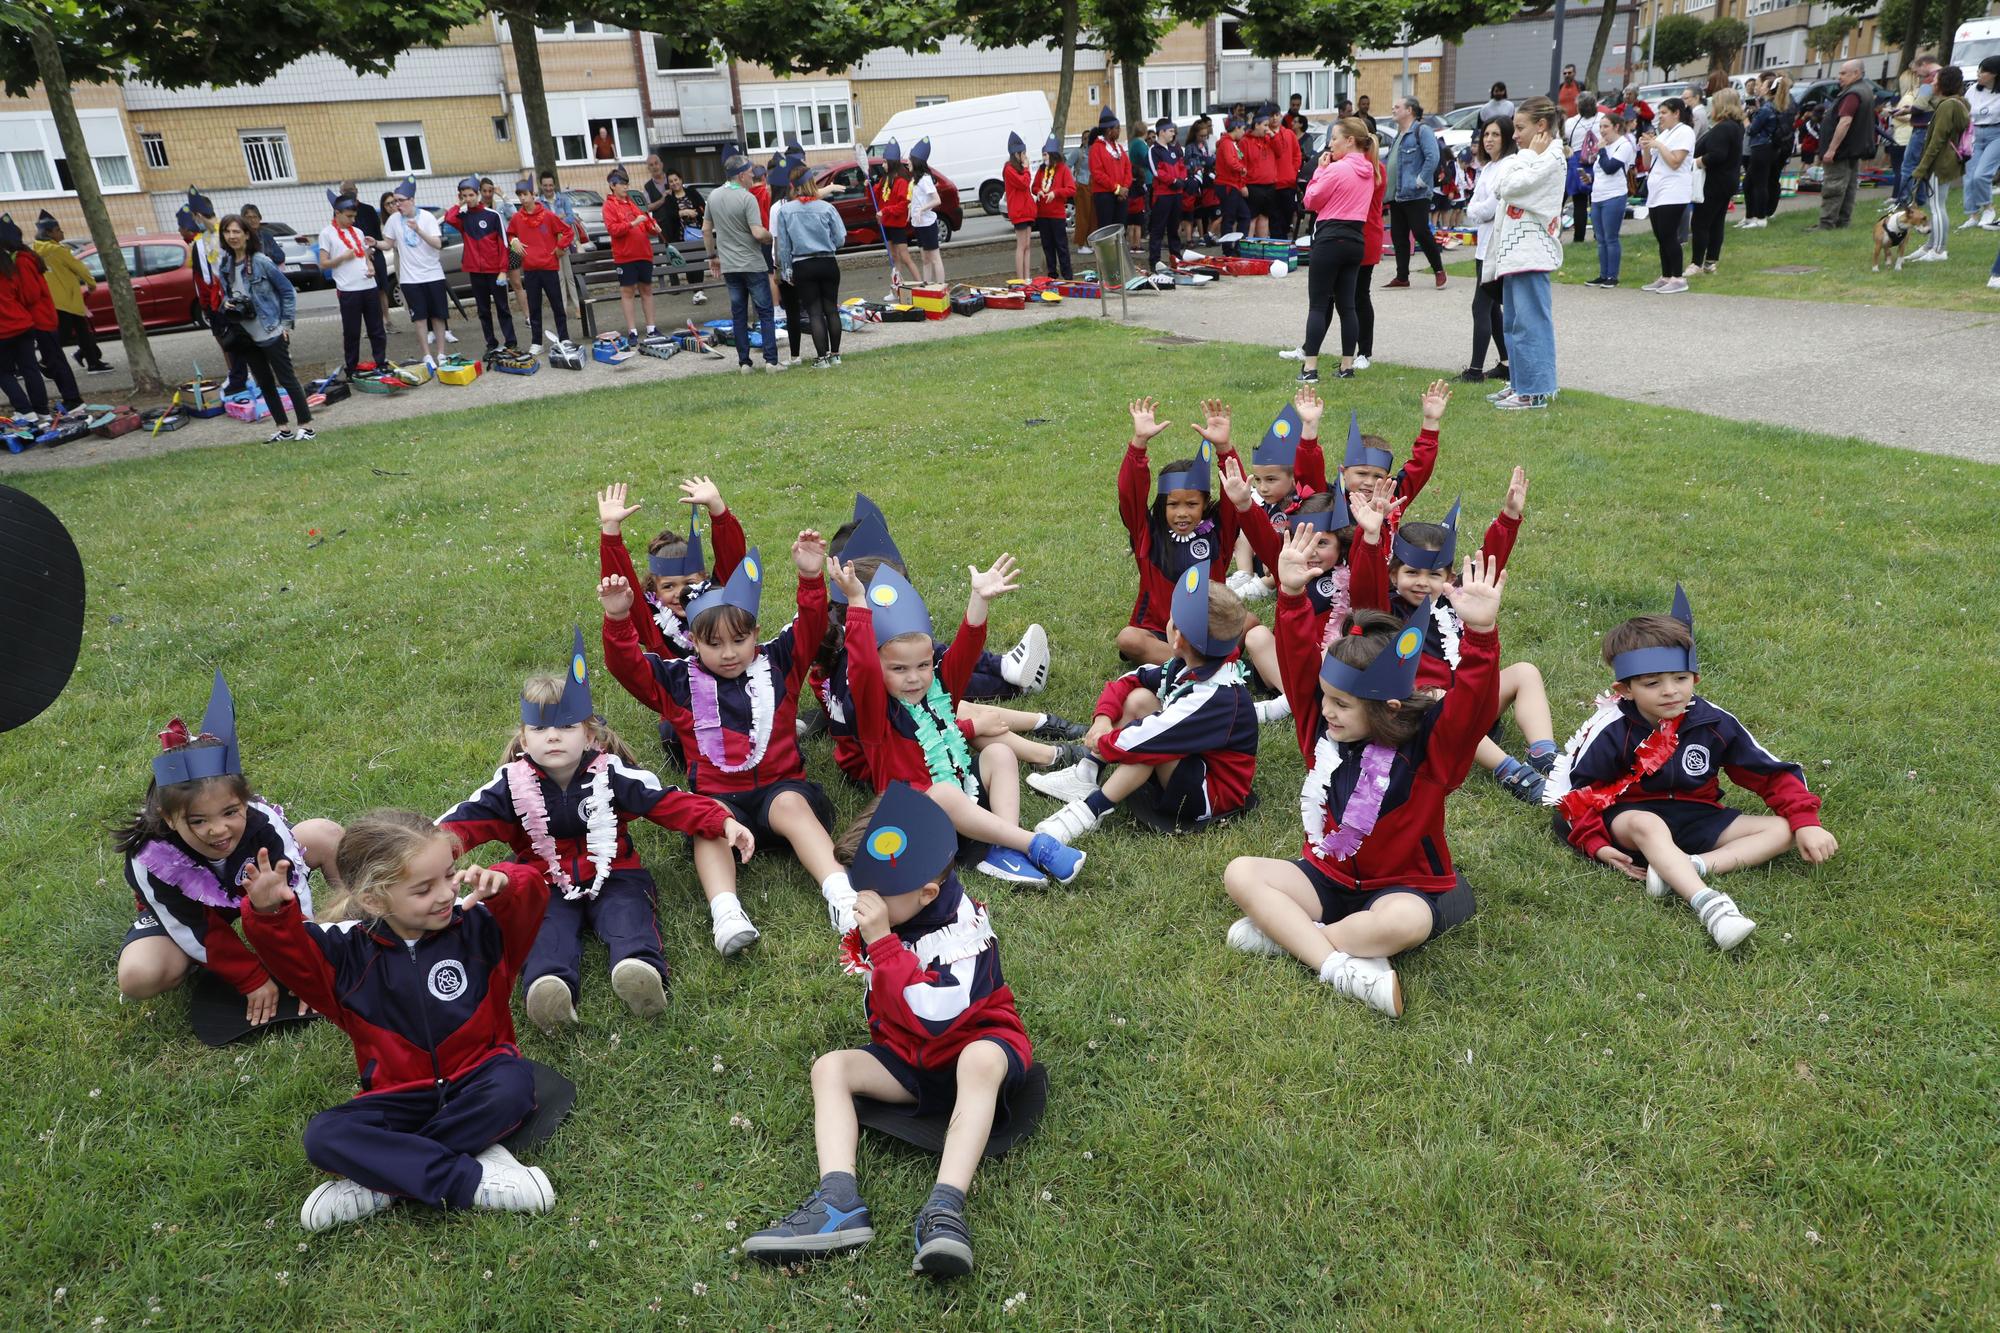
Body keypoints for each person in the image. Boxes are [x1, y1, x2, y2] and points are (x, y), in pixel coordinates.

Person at [742, 783, 1033, 1277]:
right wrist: (881, 939)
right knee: (831, 1068)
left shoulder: (964, 929)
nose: (864, 905)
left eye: (877, 895)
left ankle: (945, 1207)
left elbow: (933, 1014)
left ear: (926, 892)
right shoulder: (902, 913)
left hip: (973, 1046)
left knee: (978, 1060)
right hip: (911, 1059)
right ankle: (838, 1200)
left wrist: (882, 944)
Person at [1220, 528, 1506, 1018]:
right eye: (1326, 697)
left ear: (1387, 707)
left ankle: (1300, 938)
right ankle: (1340, 966)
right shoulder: (1323, 732)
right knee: (1240, 872)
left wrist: (1480, 637)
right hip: (1328, 877)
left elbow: (1472, 710)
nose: (1325, 711)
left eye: (1342, 704)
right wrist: (1289, 596)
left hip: (1405, 886)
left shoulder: (1429, 748)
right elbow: (1293, 663)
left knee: (1407, 922)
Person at [240, 810, 556, 1230]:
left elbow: (530, 897)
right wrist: (267, 913)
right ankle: (472, 1178)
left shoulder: (478, 924)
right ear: (373, 900)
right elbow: (290, 955)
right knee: (324, 1136)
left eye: (448, 875)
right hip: (399, 1097)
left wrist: (506, 883)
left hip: (484, 1077)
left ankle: (383, 1179)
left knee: (514, 1087)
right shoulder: (342, 953)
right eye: (424, 888)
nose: (445, 894)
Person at [437, 632, 751, 1032]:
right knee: (544, 929)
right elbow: (461, 823)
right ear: (523, 738)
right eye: (539, 729)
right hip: (543, 881)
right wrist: (420, 854)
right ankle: (548, 989)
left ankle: (638, 971)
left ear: (588, 735)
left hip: (616, 872)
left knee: (629, 915)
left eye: (566, 726)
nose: (552, 736)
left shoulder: (611, 773)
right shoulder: (509, 785)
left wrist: (720, 821)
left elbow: (666, 801)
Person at [599, 530, 858, 944]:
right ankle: (727, 913)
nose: (729, 653)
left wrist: (810, 577)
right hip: (721, 800)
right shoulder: (678, 680)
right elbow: (629, 667)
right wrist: (616, 620)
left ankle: (842, 896)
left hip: (781, 792)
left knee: (791, 803)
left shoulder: (777, 664)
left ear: (755, 633)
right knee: (709, 820)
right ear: (694, 641)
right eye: (714, 644)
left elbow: (811, 626)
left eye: (739, 640)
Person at [1548, 586, 1837, 952]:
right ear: (1625, 689)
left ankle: (1688, 866)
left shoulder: (1713, 721)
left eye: (1680, 678)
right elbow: (1573, 795)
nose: (1670, 691)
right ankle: (1710, 905)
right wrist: (1596, 844)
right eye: (1653, 683)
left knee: (1783, 830)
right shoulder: (1610, 729)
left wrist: (1806, 821)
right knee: (1646, 823)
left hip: (1698, 818)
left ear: (1695, 678)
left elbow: (1771, 772)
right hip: (1631, 822)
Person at [830, 559, 1085, 885]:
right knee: (944, 795)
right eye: (898, 669)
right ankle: (1034, 845)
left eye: (923, 665)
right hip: (918, 819)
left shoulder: (940, 691)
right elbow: (862, 666)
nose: (913, 679)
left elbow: (965, 651)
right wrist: (855, 601)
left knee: (999, 754)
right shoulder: (876, 713)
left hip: (963, 792)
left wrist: (979, 600)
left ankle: (1004, 845)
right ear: (879, 670)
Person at [112, 672, 343, 1027]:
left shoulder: (262, 821)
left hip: (258, 889)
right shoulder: (150, 856)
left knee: (325, 834)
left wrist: (305, 963)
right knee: (139, 974)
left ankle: (346, 925)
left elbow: (293, 886)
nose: (218, 830)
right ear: (169, 818)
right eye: (198, 821)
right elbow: (190, 924)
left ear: (245, 801)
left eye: (231, 812)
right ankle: (197, 960)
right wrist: (251, 978)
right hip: (194, 913)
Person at [1347, 474, 1556, 802]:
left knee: (1525, 671)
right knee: (1437, 695)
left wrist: (1509, 517)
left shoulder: (1457, 601)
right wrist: (1371, 537)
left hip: (1472, 704)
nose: (1422, 582)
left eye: (1434, 575)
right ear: (1393, 574)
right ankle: (1512, 772)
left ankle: (1545, 753)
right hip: (1423, 716)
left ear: (1450, 577)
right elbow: (1363, 584)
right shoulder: (1385, 607)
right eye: (1411, 573)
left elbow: (1489, 563)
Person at [1032, 560, 1258, 844]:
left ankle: (1090, 812)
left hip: (1209, 793)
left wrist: (1103, 743)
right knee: (1140, 700)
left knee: (1150, 745)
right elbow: (1130, 680)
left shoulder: (1216, 696)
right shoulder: (1184, 664)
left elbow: (1150, 737)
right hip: (1191, 761)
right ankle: (1085, 774)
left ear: (1177, 639)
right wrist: (1103, 718)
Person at [1110, 398, 1246, 667]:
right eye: (1173, 504)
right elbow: (1130, 494)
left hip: (1209, 629)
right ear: (1163, 505)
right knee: (1129, 639)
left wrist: (1224, 449)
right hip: (1160, 632)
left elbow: (1235, 491)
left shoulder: (1219, 531)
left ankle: (1191, 662)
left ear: (1205, 504)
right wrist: (1139, 444)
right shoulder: (1149, 533)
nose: (1182, 513)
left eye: (1192, 504)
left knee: (1248, 623)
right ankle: (1203, 665)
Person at [1483, 97, 1566, 410]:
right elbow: (1502, 184)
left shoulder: (1552, 156)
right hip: (1516, 254)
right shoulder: (1533, 156)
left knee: (1532, 323)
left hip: (1532, 252)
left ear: (1541, 126)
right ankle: (1521, 383)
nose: (1514, 135)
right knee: (1514, 324)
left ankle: (1536, 389)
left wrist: (1529, 156)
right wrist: (1528, 157)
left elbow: (1509, 186)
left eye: (1520, 128)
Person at [216, 213, 315, 443]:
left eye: (236, 231)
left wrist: (285, 325)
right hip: (245, 335)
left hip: (271, 330)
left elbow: (287, 291)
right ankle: (283, 429)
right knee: (264, 384)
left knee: (287, 379)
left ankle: (306, 427)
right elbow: (226, 297)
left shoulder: (260, 261)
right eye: (227, 232)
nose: (232, 236)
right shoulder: (225, 265)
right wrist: (226, 304)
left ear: (247, 235)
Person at [1297, 116, 1380, 385]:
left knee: (1318, 304)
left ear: (1350, 140)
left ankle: (1310, 368)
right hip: (1355, 240)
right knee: (1348, 305)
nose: (1330, 145)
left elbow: (1310, 200)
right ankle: (1347, 365)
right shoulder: (1370, 171)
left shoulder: (1337, 169)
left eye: (1334, 139)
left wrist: (1319, 171)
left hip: (1330, 238)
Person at [704, 156, 782, 373]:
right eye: (749, 172)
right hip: (752, 264)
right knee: (765, 312)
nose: (752, 176)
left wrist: (712, 257)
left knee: (738, 315)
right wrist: (771, 236)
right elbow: (757, 232)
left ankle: (744, 363)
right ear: (740, 174)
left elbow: (705, 230)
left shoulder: (713, 196)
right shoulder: (747, 198)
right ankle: (771, 361)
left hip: (730, 267)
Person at [0, 220, 81, 413]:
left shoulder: (21, 261)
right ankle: (51, 405)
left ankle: (72, 400)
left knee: (53, 360)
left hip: (38, 318)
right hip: (32, 320)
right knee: (42, 363)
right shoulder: (21, 259)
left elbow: (30, 294)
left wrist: (17, 301)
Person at [774, 166, 847, 369]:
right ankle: (836, 355)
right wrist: (828, 244)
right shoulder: (826, 208)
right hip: (827, 261)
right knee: (832, 309)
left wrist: (786, 270)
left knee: (814, 312)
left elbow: (784, 246)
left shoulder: (785, 211)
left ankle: (821, 358)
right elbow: (841, 238)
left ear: (793, 187)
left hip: (803, 263)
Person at [443, 177, 520, 358]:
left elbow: (503, 245)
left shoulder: (492, 215)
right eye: (464, 196)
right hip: (476, 272)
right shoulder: (462, 217)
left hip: (495, 272)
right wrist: (458, 204)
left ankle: (511, 342)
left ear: (477, 194)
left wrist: (503, 270)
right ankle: (491, 343)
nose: (468, 198)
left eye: (471, 195)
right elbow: (449, 218)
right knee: (483, 311)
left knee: (502, 308)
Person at [182, 190, 248, 393]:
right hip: (220, 298)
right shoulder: (204, 239)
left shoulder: (226, 233)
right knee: (232, 340)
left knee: (244, 338)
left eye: (195, 216)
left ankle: (246, 377)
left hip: (238, 293)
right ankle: (239, 378)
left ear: (198, 215)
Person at [1463, 115, 1514, 378]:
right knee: (1492, 307)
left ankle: (1474, 370)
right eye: (1486, 135)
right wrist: (1476, 210)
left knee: (1480, 306)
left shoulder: (1508, 166)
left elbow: (1492, 207)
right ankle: (1507, 363)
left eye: (1495, 134)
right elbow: (1474, 204)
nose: (1489, 140)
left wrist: (1476, 210)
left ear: (1506, 137)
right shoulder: (1488, 167)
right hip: (1483, 245)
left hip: (1496, 245)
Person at [380, 179, 448, 373]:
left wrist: (418, 230)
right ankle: (427, 355)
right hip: (410, 279)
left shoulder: (426, 217)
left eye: (400, 201)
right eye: (395, 201)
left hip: (433, 275)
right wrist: (375, 243)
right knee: (419, 318)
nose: (397, 205)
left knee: (438, 316)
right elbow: (388, 243)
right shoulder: (394, 220)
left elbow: (437, 244)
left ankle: (441, 353)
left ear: (411, 199)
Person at [29, 212, 109, 376]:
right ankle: (47, 363)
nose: (62, 233)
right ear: (49, 233)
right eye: (58, 230)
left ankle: (93, 361)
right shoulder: (58, 250)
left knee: (81, 332)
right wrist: (91, 283)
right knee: (65, 335)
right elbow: (79, 267)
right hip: (69, 299)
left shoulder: (34, 251)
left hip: (53, 299)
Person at [318, 189, 388, 374]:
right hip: (348, 289)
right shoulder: (327, 233)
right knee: (352, 332)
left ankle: (381, 361)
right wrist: (341, 258)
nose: (352, 220)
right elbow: (323, 263)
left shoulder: (357, 231)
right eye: (349, 216)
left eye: (354, 216)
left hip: (368, 286)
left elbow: (364, 254)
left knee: (377, 328)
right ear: (337, 213)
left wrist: (369, 265)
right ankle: (352, 366)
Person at [508, 178, 577, 354]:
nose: (522, 199)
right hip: (530, 268)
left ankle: (564, 337)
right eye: (519, 195)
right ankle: (537, 341)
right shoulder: (517, 218)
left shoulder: (548, 216)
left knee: (557, 305)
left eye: (525, 194)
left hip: (549, 266)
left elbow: (568, 231)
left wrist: (560, 247)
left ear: (533, 195)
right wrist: (513, 240)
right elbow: (509, 235)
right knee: (534, 306)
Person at [1907, 65, 1969, 260]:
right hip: (1949, 160)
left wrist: (1922, 167)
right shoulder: (1959, 103)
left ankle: (1939, 250)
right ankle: (1930, 246)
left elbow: (1937, 140)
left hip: (1940, 162)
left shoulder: (1947, 105)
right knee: (1938, 204)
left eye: (1936, 79)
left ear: (1943, 83)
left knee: (1937, 206)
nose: (1932, 82)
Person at [1808, 60, 1878, 232]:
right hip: (1853, 149)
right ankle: (1842, 221)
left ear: (1856, 73)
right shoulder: (1865, 90)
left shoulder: (1852, 94)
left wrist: (1831, 149)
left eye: (1843, 73)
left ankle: (1826, 224)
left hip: (1842, 150)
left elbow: (1845, 122)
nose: (1839, 77)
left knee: (1834, 186)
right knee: (1848, 187)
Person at [1385, 98, 1446, 289]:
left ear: (1409, 110)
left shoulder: (1422, 131)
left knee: (1421, 231)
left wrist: (1421, 179)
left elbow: (1433, 156)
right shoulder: (1399, 134)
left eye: (1397, 107)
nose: (1393, 109)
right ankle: (1402, 277)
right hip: (1397, 194)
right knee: (1398, 236)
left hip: (1416, 194)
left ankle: (1438, 270)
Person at [1639, 97, 1697, 293]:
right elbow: (1647, 165)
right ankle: (1666, 276)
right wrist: (1646, 147)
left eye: (1664, 113)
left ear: (1676, 113)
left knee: (1668, 234)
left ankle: (1678, 278)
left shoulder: (1685, 132)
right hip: (1657, 191)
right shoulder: (1664, 134)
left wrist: (1658, 145)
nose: (1660, 117)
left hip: (1673, 191)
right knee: (1660, 236)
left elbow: (1675, 161)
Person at [601, 166, 662, 345]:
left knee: (647, 290)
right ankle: (632, 331)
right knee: (628, 293)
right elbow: (613, 230)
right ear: (612, 185)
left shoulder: (635, 201)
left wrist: (654, 227)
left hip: (644, 254)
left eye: (627, 184)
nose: (626, 187)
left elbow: (648, 223)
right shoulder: (609, 206)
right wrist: (633, 223)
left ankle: (651, 328)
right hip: (625, 256)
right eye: (622, 184)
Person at [1690, 89, 1745, 276]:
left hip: (1715, 180)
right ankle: (1711, 261)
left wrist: (1697, 162)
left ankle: (1696, 262)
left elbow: (1717, 155)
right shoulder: (1736, 125)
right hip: (1728, 179)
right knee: (1716, 221)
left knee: (1701, 222)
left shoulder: (1724, 128)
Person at [0, 224, 52, 418]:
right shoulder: (9, 269)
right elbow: (20, 295)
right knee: (30, 368)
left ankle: (24, 410)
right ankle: (42, 411)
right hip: (23, 325)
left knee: (4, 373)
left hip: (3, 331)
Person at [1583, 109, 1637, 286]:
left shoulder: (1624, 145)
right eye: (1600, 126)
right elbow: (1601, 172)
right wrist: (1589, 178)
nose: (1602, 130)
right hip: (1598, 196)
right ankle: (1603, 274)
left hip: (1614, 196)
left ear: (1616, 127)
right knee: (1600, 238)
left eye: (1606, 126)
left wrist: (1602, 150)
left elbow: (1611, 168)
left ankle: (1612, 276)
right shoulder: (1604, 147)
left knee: (1611, 237)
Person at [340, 179, 396, 319]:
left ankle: (387, 320)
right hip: (356, 257)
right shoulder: (341, 214)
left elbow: (376, 233)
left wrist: (372, 250)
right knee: (365, 291)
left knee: (382, 288)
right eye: (345, 192)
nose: (349, 195)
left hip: (375, 253)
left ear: (357, 191)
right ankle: (373, 322)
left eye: (351, 191)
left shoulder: (368, 210)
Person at [1893, 55, 1941, 208]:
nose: (1918, 75)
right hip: (1936, 126)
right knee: (1924, 166)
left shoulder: (1929, 80)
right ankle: (1920, 200)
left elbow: (1920, 105)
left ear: (1925, 64)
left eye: (1917, 71)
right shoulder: (1947, 75)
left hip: (1922, 128)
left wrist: (1904, 111)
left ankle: (1905, 201)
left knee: (1909, 166)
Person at [1959, 57, 2000, 231]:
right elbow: (1965, 113)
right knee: (1969, 176)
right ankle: (1973, 215)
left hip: (1996, 134)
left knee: (1981, 175)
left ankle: (1988, 209)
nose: (1979, 74)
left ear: (1995, 74)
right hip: (1974, 134)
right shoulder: (1972, 91)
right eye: (1979, 70)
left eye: (1983, 71)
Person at [1742, 75, 1788, 226]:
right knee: (1749, 183)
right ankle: (1750, 217)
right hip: (1767, 148)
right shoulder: (1772, 106)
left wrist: (1745, 119)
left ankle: (1760, 218)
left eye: (1762, 86)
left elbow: (1752, 130)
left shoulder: (1767, 108)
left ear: (1768, 90)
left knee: (1759, 184)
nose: (1759, 88)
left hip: (1761, 148)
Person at [876, 140, 921, 287]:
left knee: (904, 257)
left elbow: (903, 205)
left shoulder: (901, 181)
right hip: (886, 224)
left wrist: (886, 211)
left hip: (896, 224)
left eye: (884, 162)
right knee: (894, 257)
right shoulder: (884, 179)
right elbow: (877, 198)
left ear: (891, 163)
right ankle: (896, 287)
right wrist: (870, 185)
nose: (882, 165)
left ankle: (921, 285)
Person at [1032, 135, 1076, 279]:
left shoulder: (1063, 169)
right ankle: (1052, 275)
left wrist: (1055, 193)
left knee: (1061, 247)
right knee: (1047, 247)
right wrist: (1038, 190)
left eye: (1046, 155)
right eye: (1043, 155)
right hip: (1042, 215)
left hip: (1057, 215)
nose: (1044, 158)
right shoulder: (1041, 170)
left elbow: (1071, 189)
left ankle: (1067, 276)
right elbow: (1034, 187)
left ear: (1053, 155)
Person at [1146, 118, 1187, 271]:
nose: (1173, 133)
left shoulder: (1175, 148)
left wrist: (1182, 179)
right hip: (1162, 195)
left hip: (1176, 194)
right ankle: (1155, 260)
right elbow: (1156, 171)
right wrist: (1173, 180)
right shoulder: (1154, 150)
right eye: (1170, 131)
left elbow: (1182, 166)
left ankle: (1175, 256)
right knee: (1158, 228)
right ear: (1161, 132)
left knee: (1174, 227)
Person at [907, 138, 947, 284]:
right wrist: (912, 207)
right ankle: (927, 286)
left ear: (916, 161)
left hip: (928, 224)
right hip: (918, 224)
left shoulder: (925, 179)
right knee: (925, 258)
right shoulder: (916, 180)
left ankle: (941, 288)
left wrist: (922, 209)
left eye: (910, 160)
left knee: (935, 257)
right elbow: (919, 199)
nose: (908, 162)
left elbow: (937, 200)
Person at [1565, 92, 1599, 244]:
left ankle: (1579, 237)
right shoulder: (1602, 119)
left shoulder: (1571, 123)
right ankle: (1598, 235)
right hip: (1597, 161)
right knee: (1597, 202)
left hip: (1577, 162)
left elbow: (1566, 141)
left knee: (1580, 203)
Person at [1003, 132, 1037, 281]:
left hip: (1027, 210)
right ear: (1016, 154)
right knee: (1021, 245)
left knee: (1028, 245)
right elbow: (1024, 183)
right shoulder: (1009, 169)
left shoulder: (1020, 168)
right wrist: (1027, 168)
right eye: (1023, 153)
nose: (1025, 156)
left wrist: (1025, 169)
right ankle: (1020, 279)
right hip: (1019, 211)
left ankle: (1027, 278)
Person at [1215, 116, 1250, 254]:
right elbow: (1231, 162)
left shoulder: (1231, 143)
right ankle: (1228, 249)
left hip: (1232, 184)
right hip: (1228, 184)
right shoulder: (1227, 143)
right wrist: (1242, 169)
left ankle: (1238, 246)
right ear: (1236, 128)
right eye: (1242, 129)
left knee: (1244, 215)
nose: (1244, 132)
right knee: (1229, 218)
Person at [1244, 112, 1279, 238]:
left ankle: (1262, 248)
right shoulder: (1245, 142)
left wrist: (1273, 137)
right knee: (1252, 218)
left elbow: (1280, 151)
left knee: (1265, 217)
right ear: (1256, 125)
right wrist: (1242, 185)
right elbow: (1241, 164)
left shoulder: (1269, 139)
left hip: (1269, 185)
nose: (1267, 128)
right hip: (1253, 186)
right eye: (1265, 125)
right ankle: (1248, 248)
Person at [1184, 117, 1218, 244]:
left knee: (1205, 209)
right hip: (1196, 180)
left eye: (1205, 136)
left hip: (1206, 179)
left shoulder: (1206, 145)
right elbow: (1188, 165)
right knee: (1195, 209)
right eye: (1201, 136)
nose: (1203, 138)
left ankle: (1205, 235)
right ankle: (1192, 236)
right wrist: (1201, 164)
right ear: (1195, 134)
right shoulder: (1190, 147)